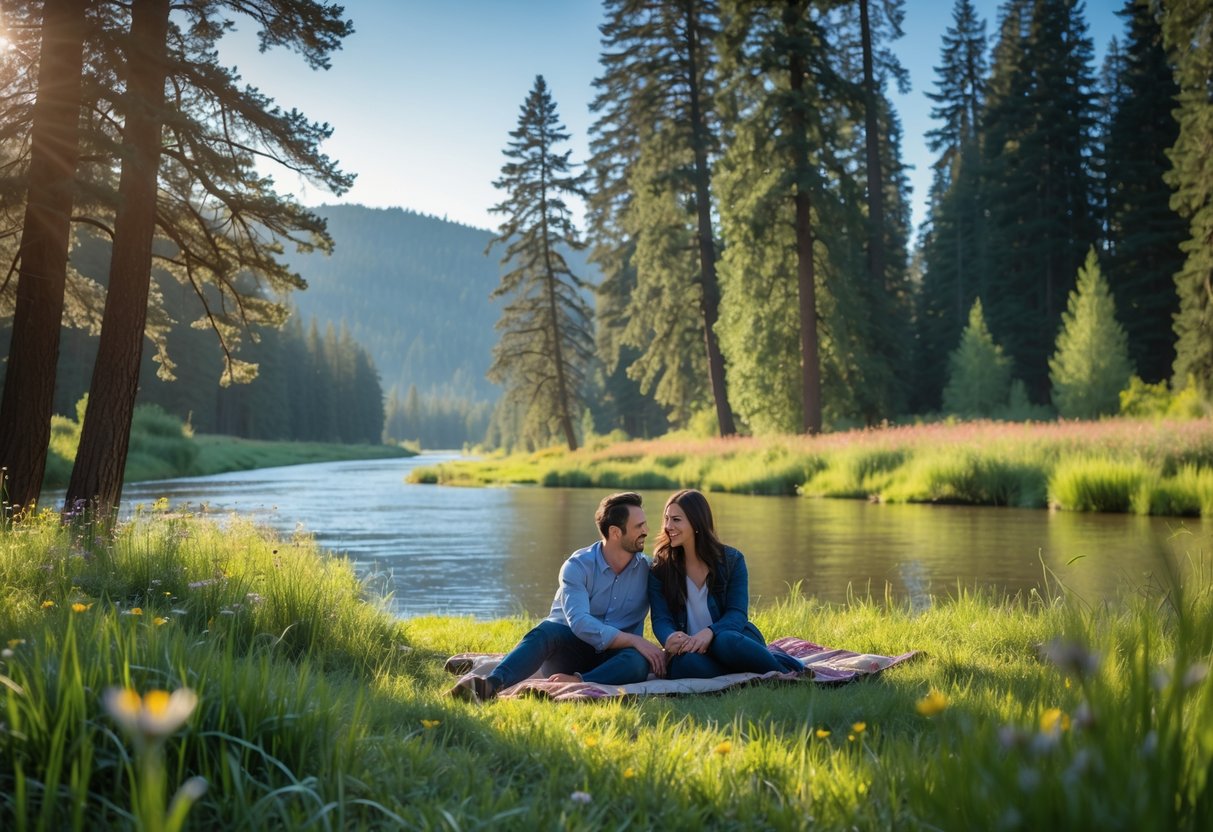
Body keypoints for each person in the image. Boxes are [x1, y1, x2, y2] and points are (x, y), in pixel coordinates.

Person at [447, 491, 666, 702]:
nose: (647, 530)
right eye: (639, 526)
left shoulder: (649, 571)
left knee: (638, 662)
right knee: (547, 631)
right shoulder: (577, 566)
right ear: (615, 533)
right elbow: (579, 622)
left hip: (616, 659)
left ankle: (578, 682)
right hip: (570, 651)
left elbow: (666, 612)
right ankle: (490, 685)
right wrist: (633, 639)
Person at [649, 489, 804, 679]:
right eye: (667, 518)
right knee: (684, 665)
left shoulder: (732, 560)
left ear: (697, 523)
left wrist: (710, 633)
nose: (668, 526)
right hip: (691, 649)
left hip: (733, 639)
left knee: (725, 640)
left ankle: (784, 672)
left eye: (676, 519)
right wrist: (669, 637)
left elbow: (737, 614)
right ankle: (746, 672)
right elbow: (660, 619)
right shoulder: (660, 568)